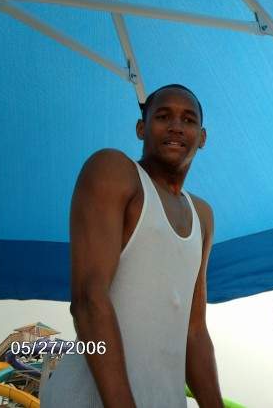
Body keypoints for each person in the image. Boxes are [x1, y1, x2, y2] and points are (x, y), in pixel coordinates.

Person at [41, 85, 222, 408]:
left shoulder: (203, 216)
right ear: (141, 128)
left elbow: (194, 331)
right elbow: (89, 298)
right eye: (163, 116)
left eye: (188, 119)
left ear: (203, 137)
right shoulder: (114, 171)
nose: (176, 126)